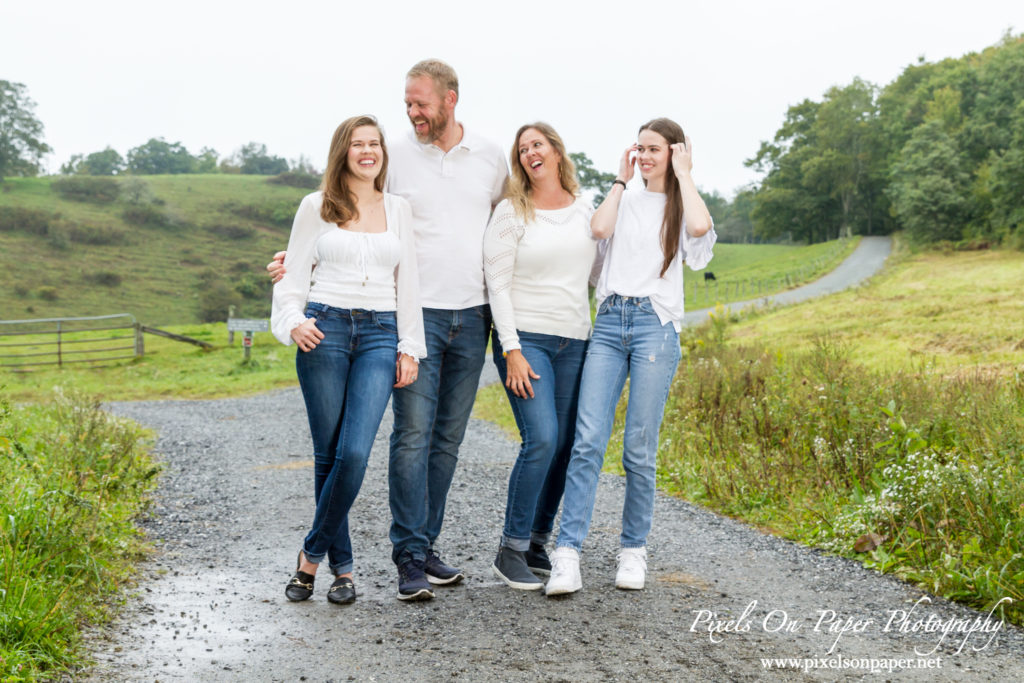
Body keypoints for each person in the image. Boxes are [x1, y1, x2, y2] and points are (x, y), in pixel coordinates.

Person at [268, 60, 508, 601]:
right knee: (359, 448)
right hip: (352, 324)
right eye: (406, 105)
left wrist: (409, 344)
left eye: (420, 103)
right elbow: (315, 251)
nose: (412, 113)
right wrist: (292, 302)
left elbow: (507, 222)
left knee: (407, 446)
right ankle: (363, 564)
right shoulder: (357, 181)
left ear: (450, 99)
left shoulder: (487, 160)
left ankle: (368, 551)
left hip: (433, 321)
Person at [545, 117, 716, 596]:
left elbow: (701, 229)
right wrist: (620, 180)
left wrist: (684, 175)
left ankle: (633, 550)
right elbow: (598, 229)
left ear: (675, 153)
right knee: (587, 441)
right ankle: (567, 553)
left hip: (654, 328)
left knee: (639, 449)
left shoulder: (683, 206)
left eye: (654, 149)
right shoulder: (623, 197)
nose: (644, 156)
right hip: (610, 323)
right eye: (639, 148)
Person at [271, 115, 425, 606]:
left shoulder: (398, 209)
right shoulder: (316, 206)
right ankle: (345, 570)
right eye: (358, 144)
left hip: (381, 333)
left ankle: (310, 558)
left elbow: (410, 283)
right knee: (328, 454)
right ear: (344, 152)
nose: (367, 151)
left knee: (355, 451)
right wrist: (293, 320)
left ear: (383, 152)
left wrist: (409, 346)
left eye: (374, 143)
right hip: (325, 329)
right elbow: (291, 274)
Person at [483, 123, 598, 590]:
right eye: (523, 148)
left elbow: (598, 275)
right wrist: (511, 348)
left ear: (556, 152)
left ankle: (536, 541)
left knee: (567, 444)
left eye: (538, 144)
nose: (531, 152)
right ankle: (509, 549)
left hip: (576, 340)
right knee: (543, 438)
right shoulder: (512, 212)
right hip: (526, 338)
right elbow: (497, 284)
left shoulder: (584, 210)